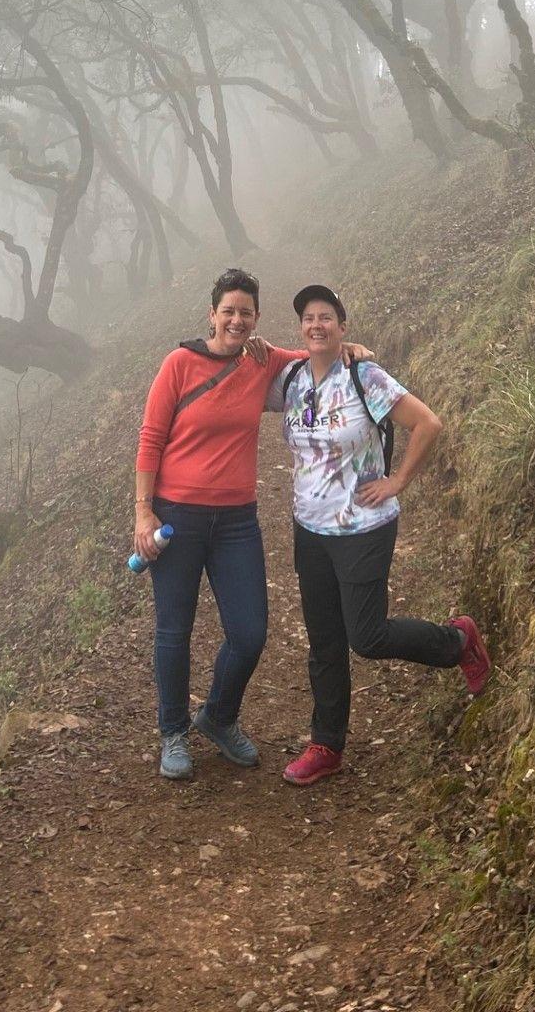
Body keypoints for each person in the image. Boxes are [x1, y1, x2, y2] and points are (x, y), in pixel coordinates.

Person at [132, 266, 367, 781]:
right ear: (212, 315)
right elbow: (150, 438)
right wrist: (143, 512)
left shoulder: (262, 362)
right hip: (177, 517)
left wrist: (350, 351)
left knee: (250, 631)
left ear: (256, 318)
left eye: (246, 312)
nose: (236, 320)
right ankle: (173, 731)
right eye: (228, 311)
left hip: (237, 520)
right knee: (174, 630)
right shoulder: (179, 364)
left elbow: (314, 357)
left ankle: (218, 715)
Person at [266, 283, 490, 787]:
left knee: (366, 636)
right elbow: (240, 373)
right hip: (310, 531)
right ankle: (327, 744)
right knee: (324, 642)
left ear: (342, 327)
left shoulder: (364, 375)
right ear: (300, 329)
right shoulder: (294, 380)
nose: (317, 325)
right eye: (308, 318)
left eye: (327, 317)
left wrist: (399, 481)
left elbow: (427, 423)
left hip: (362, 529)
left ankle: (458, 642)